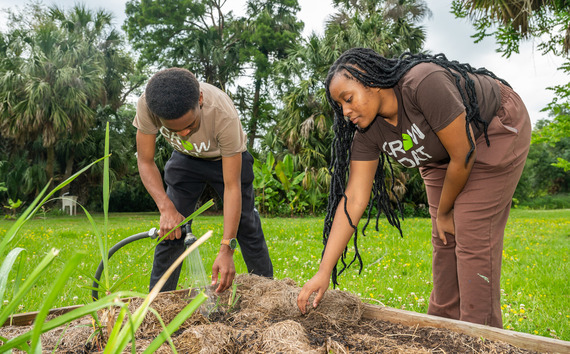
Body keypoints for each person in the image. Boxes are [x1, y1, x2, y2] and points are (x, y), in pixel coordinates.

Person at [297, 48, 531, 328]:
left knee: (470, 231)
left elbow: (463, 153)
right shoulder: (367, 130)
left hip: (492, 128)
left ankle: (480, 337)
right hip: (440, 152)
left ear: (371, 81)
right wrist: (324, 271)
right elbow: (354, 198)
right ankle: (441, 328)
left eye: (348, 99)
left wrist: (444, 212)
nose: (346, 112)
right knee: (444, 239)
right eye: (341, 107)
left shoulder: (423, 83)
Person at [133, 68, 273, 294]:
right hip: (185, 160)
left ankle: (269, 295)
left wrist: (227, 248)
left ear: (200, 99)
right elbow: (145, 161)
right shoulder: (149, 105)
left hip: (225, 159)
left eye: (190, 125)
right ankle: (159, 301)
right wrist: (166, 208)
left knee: (246, 224)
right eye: (173, 130)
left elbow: (232, 187)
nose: (184, 133)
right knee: (171, 230)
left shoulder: (222, 113)